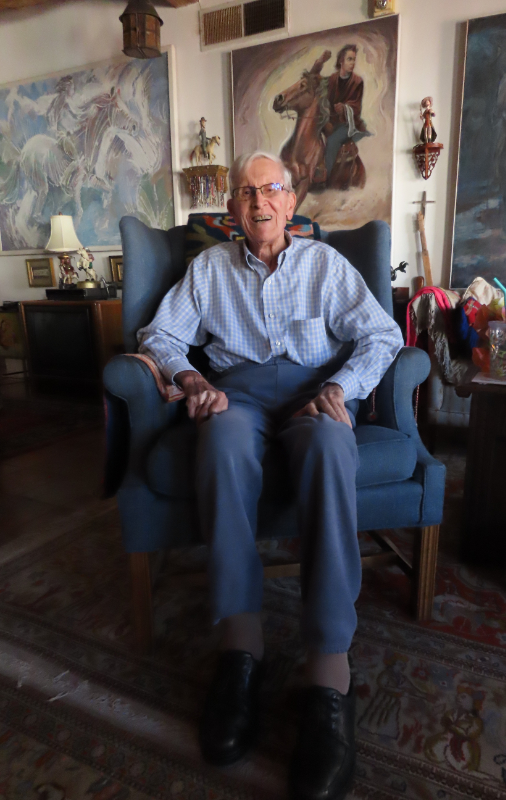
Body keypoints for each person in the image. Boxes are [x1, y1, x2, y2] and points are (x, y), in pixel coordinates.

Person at [137, 151, 403, 800]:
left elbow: (381, 335)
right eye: (247, 192)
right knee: (221, 439)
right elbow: (159, 335)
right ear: (232, 209)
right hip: (240, 395)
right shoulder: (208, 269)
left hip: (316, 394)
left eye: (272, 189)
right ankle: (240, 651)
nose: (260, 201)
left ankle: (328, 675)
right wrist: (192, 378)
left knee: (332, 450)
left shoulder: (325, 265)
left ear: (292, 201)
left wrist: (343, 387)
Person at [323, 44, 371, 178]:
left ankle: (326, 177)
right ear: (341, 61)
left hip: (348, 123)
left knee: (332, 141)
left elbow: (356, 105)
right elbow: (325, 98)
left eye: (354, 59)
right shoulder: (332, 79)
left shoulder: (357, 82)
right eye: (349, 59)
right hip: (331, 120)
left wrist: (344, 108)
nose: (353, 63)